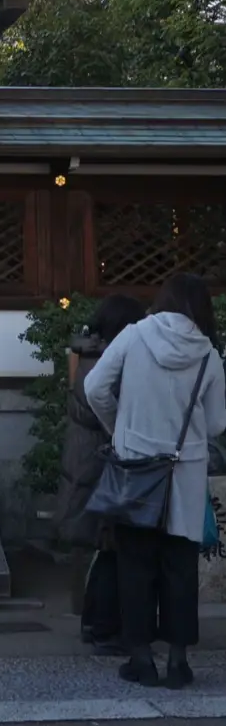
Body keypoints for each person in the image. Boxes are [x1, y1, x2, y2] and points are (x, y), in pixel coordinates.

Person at [85, 272, 226, 688]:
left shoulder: (134, 336)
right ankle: (179, 663)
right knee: (180, 569)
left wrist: (121, 429)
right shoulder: (208, 354)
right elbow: (217, 422)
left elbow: (95, 388)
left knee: (135, 565)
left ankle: (141, 659)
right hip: (184, 472)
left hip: (136, 471)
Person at [54, 295, 146, 654]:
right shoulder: (105, 360)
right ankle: (102, 626)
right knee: (110, 546)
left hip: (87, 459)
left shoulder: (89, 354)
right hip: (99, 462)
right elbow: (99, 405)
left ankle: (96, 623)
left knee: (106, 547)